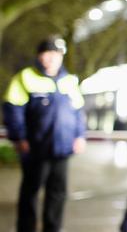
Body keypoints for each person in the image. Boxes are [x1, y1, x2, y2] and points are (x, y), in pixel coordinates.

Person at [2, 36, 86, 232]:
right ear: (39, 56)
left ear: (61, 57)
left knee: (58, 194)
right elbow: (13, 110)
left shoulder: (69, 81)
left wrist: (80, 136)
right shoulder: (25, 77)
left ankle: (53, 228)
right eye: (46, 54)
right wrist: (19, 138)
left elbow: (78, 112)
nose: (50, 59)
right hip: (35, 148)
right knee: (30, 193)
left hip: (62, 149)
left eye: (55, 54)